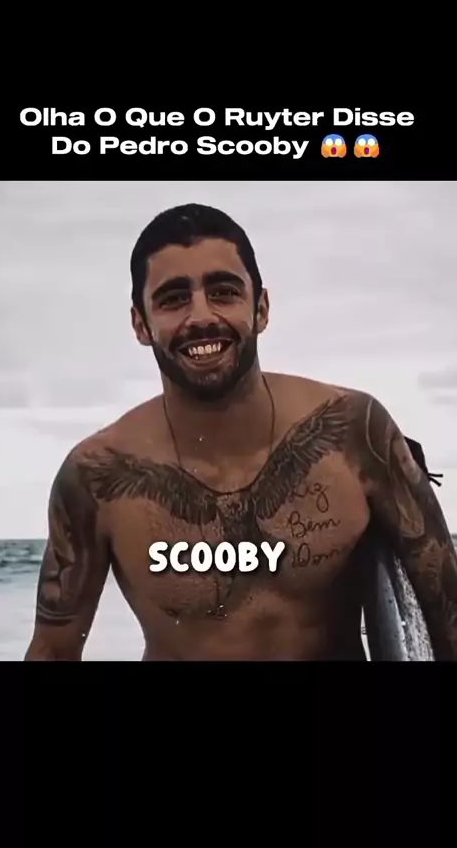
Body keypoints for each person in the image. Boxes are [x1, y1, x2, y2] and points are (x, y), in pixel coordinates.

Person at [24, 204, 457, 661]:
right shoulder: (95, 476)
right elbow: (54, 649)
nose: (200, 316)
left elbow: (447, 611)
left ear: (261, 308)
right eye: (173, 299)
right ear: (140, 324)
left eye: (224, 292)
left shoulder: (355, 432)